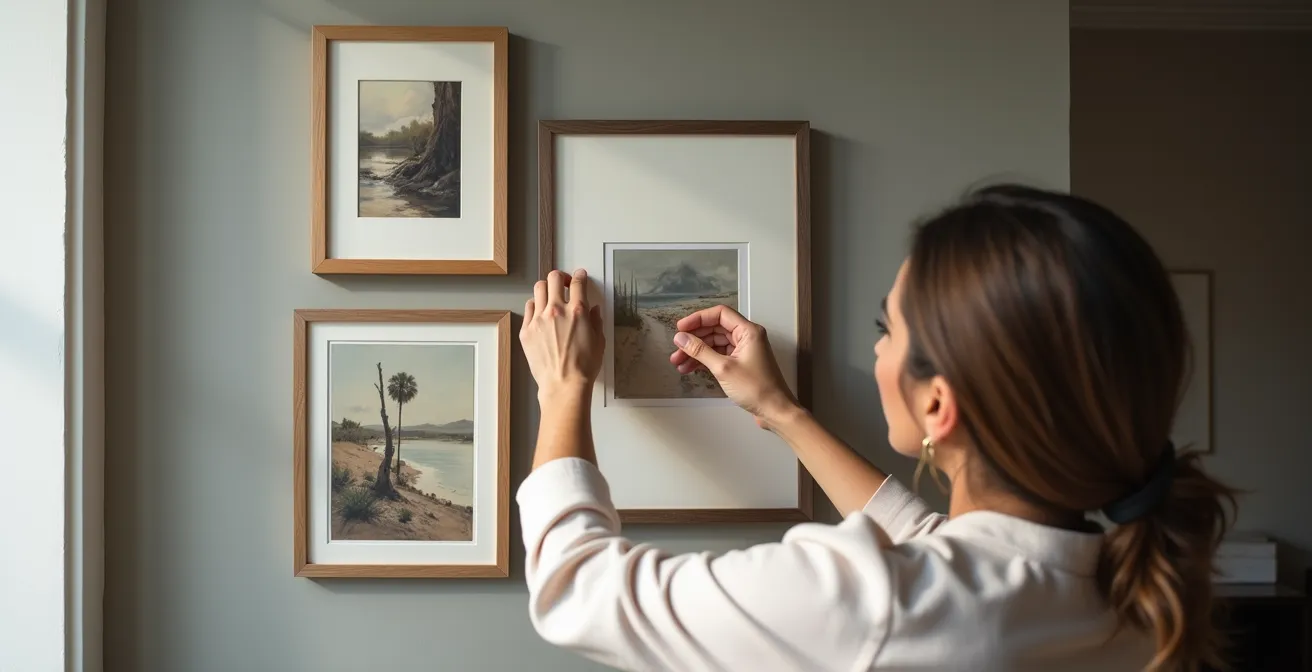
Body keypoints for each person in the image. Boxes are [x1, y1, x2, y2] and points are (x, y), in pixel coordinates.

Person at [516, 184, 1237, 672]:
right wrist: (781, 412)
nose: (877, 350)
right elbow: (941, 552)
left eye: (885, 329)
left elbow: (576, 589)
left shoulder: (875, 601)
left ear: (938, 406)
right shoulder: (1129, 595)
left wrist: (565, 385)